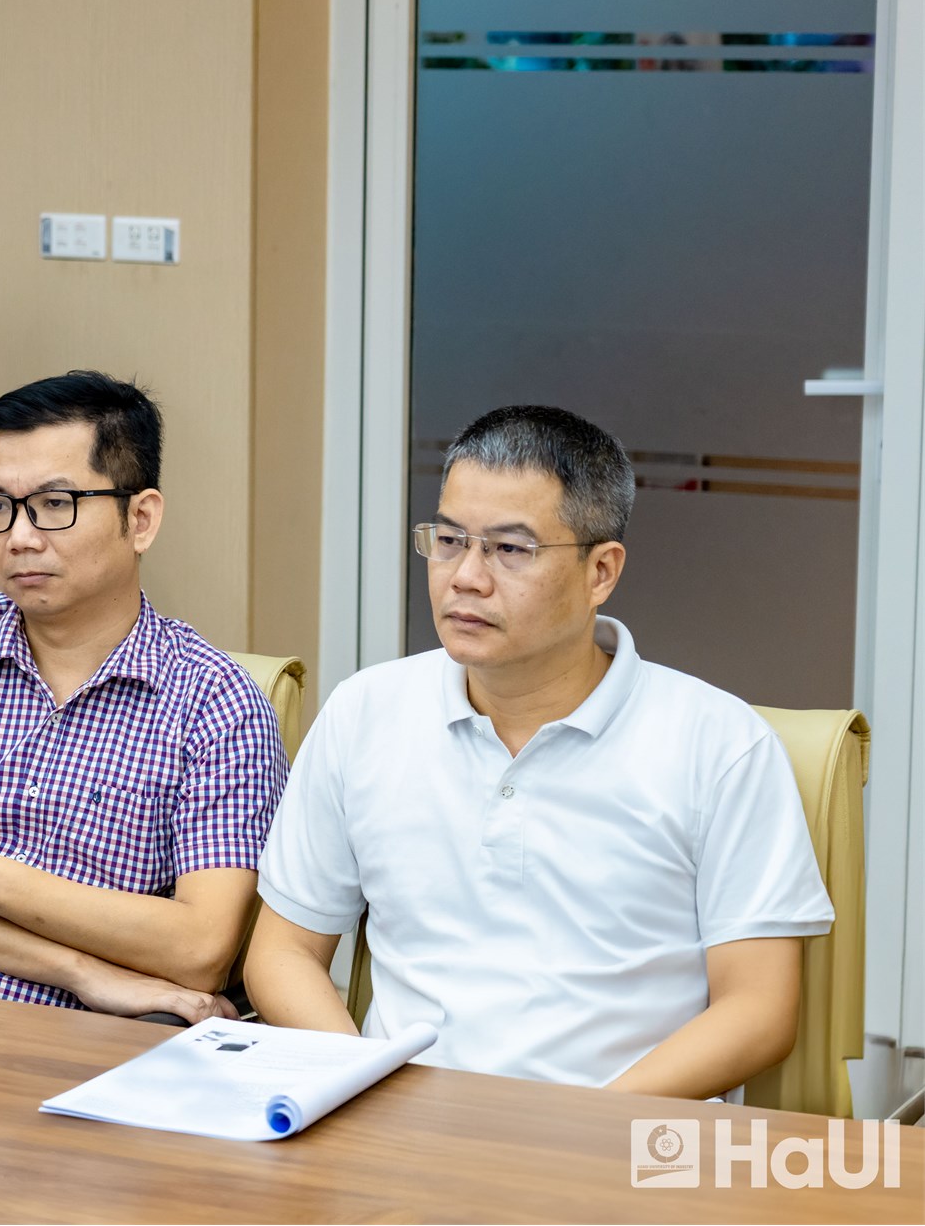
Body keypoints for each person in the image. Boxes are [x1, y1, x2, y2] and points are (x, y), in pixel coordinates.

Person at [245, 405, 833, 1098]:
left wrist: (576, 1130)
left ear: (600, 571)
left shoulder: (719, 744)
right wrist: (367, 1090)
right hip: (402, 1125)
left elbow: (759, 1009)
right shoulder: (365, 713)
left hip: (615, 1135)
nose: (466, 577)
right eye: (449, 540)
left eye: (510, 549)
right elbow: (282, 953)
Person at [0, 371, 288, 1020]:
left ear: (141, 518)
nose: (19, 537)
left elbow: (199, 948)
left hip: (63, 1044)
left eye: (54, 503)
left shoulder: (217, 703)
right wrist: (80, 969)